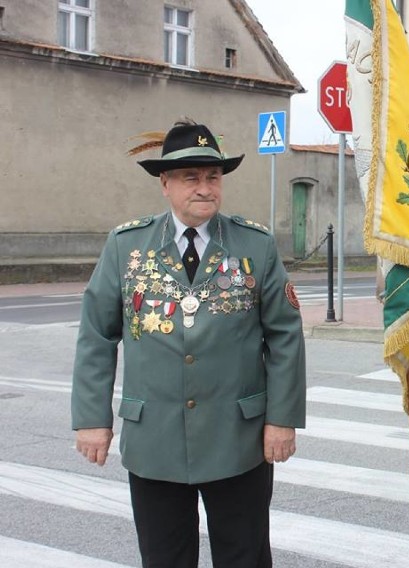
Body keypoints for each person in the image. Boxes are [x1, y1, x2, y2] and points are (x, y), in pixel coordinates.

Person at [71, 120, 306, 567]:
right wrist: (90, 419)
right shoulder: (127, 246)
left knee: (244, 555)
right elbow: (97, 336)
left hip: (239, 438)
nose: (204, 188)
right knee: (164, 557)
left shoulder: (254, 245)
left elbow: (284, 336)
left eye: (212, 177)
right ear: (165, 183)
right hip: (155, 438)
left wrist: (282, 419)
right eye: (190, 177)